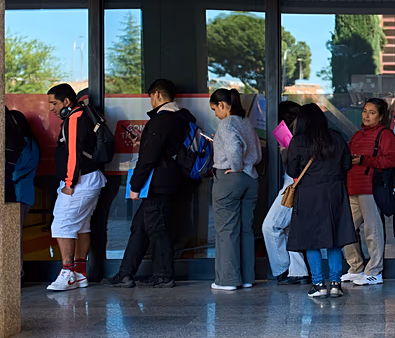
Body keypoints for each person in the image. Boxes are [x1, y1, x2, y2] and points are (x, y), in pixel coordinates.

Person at [102, 79, 196, 289]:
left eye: (151, 97)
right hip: (174, 180)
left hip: (157, 183)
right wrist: (143, 143)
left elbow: (149, 157)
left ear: (158, 95)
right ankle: (126, 273)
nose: (150, 102)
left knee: (157, 228)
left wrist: (135, 185)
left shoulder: (162, 120)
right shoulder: (184, 117)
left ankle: (164, 275)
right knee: (140, 226)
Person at [286, 103, 356, 298]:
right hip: (335, 193)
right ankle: (335, 283)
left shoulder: (298, 141)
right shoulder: (336, 137)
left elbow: (292, 171)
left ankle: (318, 284)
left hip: (309, 194)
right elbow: (347, 164)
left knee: (311, 240)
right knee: (335, 239)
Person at [46, 84, 107, 291]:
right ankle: (80, 274)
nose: (51, 108)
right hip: (91, 179)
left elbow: (74, 153)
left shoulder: (74, 118)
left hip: (80, 181)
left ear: (66, 102)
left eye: (54, 103)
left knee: (62, 226)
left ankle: (67, 273)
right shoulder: (85, 116)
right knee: (81, 227)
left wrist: (70, 184)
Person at [341, 98, 395, 286]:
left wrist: (366, 160)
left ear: (381, 116)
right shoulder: (357, 135)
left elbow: (392, 160)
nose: (366, 115)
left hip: (370, 188)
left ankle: (374, 271)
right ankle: (356, 267)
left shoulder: (385, 135)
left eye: (372, 112)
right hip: (352, 188)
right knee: (346, 229)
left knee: (372, 231)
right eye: (365, 111)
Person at [209, 89, 261, 291]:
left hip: (230, 178)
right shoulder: (246, 122)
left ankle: (228, 280)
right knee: (246, 229)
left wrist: (236, 165)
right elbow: (256, 151)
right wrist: (244, 166)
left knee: (226, 230)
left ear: (222, 104)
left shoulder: (227, 123)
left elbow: (233, 146)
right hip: (251, 177)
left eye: (215, 109)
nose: (215, 114)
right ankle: (247, 277)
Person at [262, 101, 310, 285]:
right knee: (290, 230)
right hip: (298, 185)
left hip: (292, 186)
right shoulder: (305, 136)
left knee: (270, 226)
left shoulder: (296, 139)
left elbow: (291, 166)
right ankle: (298, 271)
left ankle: (283, 269)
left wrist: (284, 151)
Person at [6, 107, 40, 276]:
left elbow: (16, 168)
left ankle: (17, 273)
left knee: (13, 235)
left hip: (20, 194)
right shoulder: (26, 142)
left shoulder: (27, 143)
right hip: (20, 193)